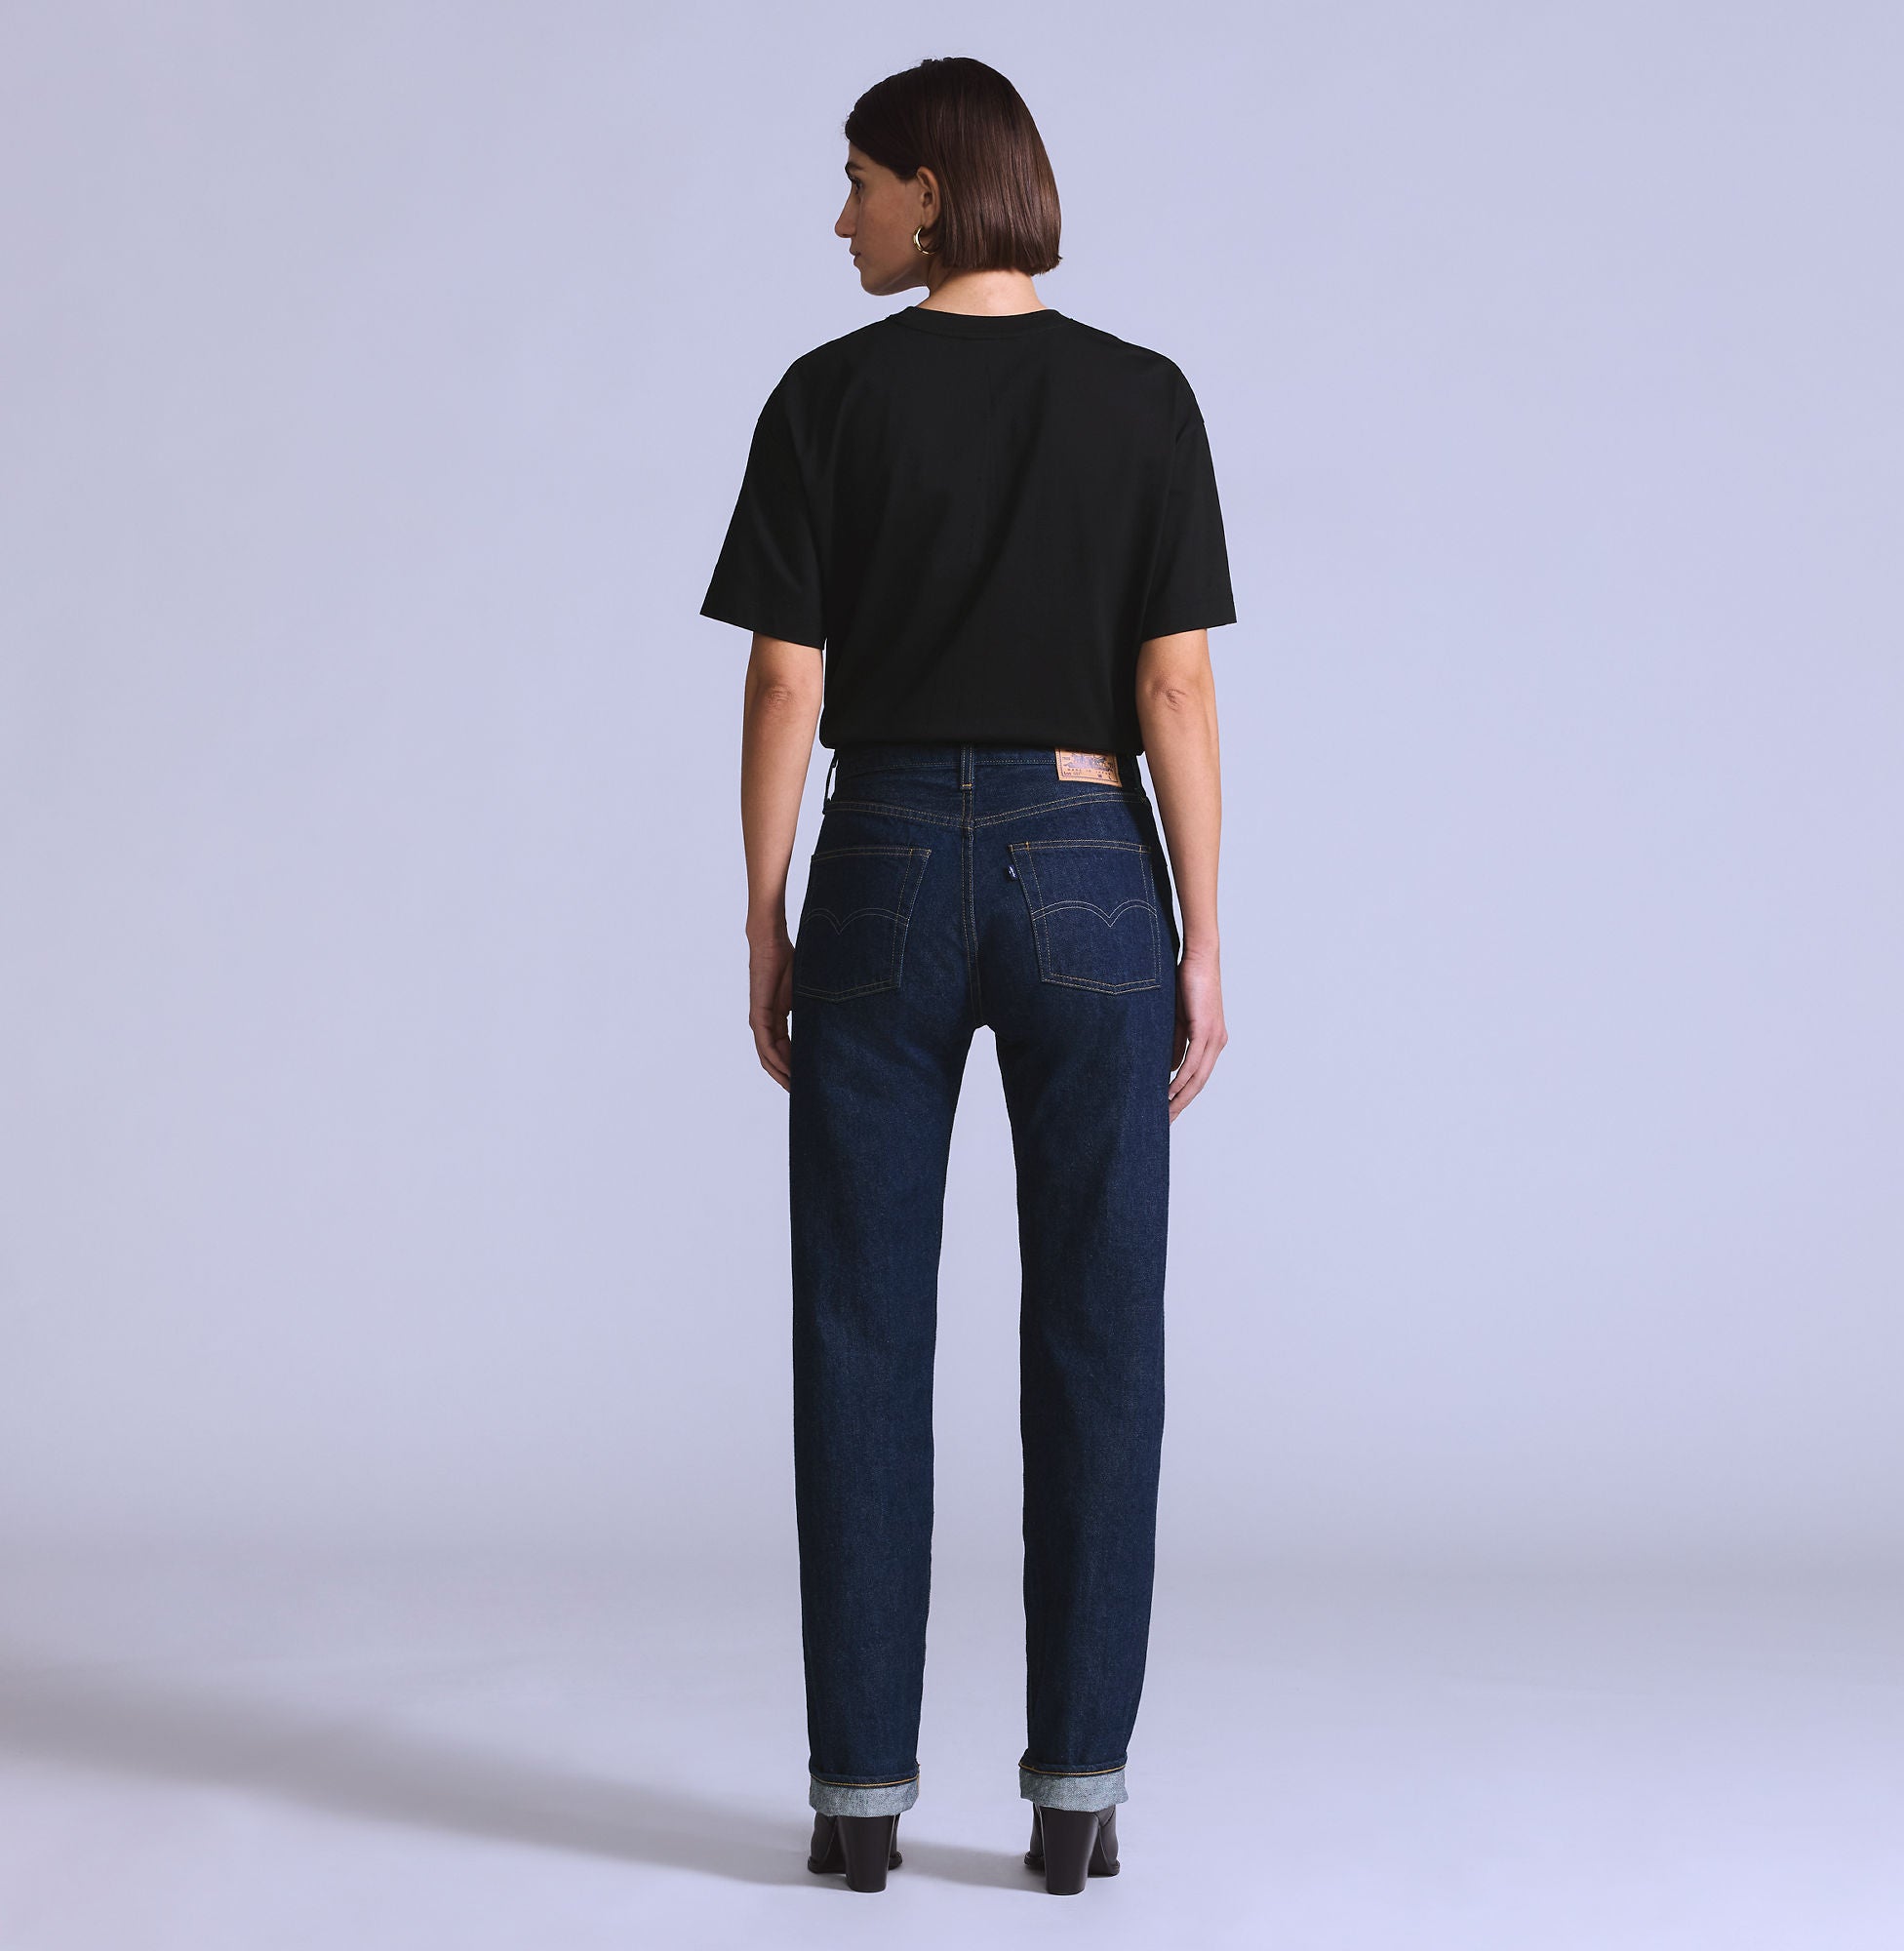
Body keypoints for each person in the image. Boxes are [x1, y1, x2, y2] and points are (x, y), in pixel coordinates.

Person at [699, 54, 1233, 1896]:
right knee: (1100, 1331)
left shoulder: (826, 399)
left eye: (858, 178)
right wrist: (1204, 931)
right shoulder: (1144, 399)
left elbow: (788, 677)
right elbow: (1173, 686)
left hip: (884, 858)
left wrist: (764, 910)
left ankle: (860, 1804)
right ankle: (1076, 1798)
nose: (839, 213)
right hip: (1092, 860)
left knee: (860, 1327)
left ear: (935, 189)